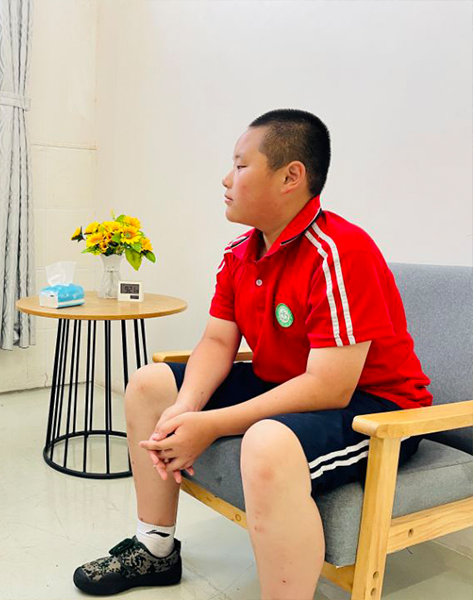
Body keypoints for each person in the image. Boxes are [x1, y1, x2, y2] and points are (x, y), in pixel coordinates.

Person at [72, 109, 431, 600]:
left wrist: (211, 424)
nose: (226, 179)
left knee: (266, 442)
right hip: (285, 385)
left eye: (241, 165)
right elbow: (219, 342)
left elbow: (330, 386)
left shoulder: (340, 252)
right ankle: (155, 549)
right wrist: (185, 408)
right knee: (151, 384)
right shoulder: (241, 251)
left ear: (290, 177)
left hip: (376, 409)